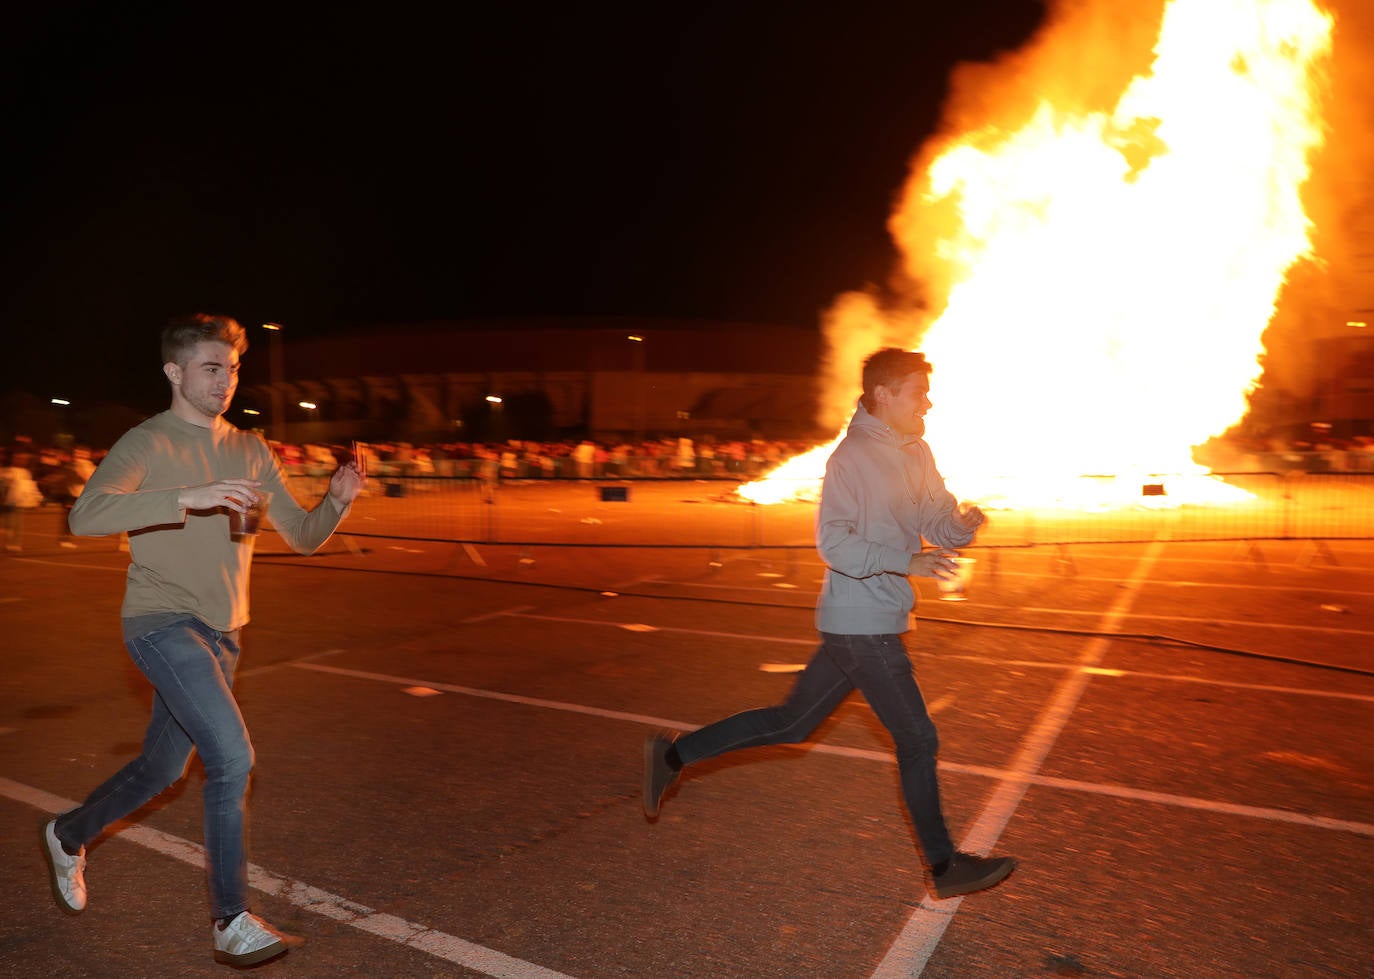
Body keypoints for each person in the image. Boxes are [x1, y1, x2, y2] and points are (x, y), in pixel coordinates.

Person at [39, 313, 366, 967]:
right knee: (233, 757)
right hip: (160, 621)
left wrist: (336, 501)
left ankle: (67, 833)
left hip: (225, 634)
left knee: (162, 769)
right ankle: (231, 919)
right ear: (175, 371)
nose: (225, 380)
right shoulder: (146, 442)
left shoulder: (251, 449)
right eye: (212, 367)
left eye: (233, 368)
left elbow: (301, 536)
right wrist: (189, 494)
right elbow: (86, 513)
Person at [642, 348, 1016, 900]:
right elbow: (833, 541)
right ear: (884, 394)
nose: (928, 402)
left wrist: (962, 525)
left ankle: (672, 754)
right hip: (861, 621)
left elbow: (937, 518)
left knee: (792, 723)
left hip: (871, 615)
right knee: (917, 738)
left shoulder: (917, 450)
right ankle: (944, 867)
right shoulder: (851, 458)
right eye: (918, 391)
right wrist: (905, 561)